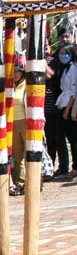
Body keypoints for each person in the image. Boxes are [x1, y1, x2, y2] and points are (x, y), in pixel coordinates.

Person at [54, 44, 77, 178]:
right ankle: (64, 167)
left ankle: (75, 167)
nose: (63, 56)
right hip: (61, 102)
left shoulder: (74, 69)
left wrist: (68, 110)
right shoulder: (64, 69)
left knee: (73, 138)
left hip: (68, 105)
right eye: (60, 53)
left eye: (65, 53)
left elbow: (74, 92)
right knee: (61, 138)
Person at [11, 55, 27, 195]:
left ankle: (34, 181)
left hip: (26, 122)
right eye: (13, 71)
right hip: (13, 123)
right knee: (17, 156)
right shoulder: (9, 86)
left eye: (18, 70)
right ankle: (19, 183)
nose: (15, 74)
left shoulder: (28, 85)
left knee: (30, 153)